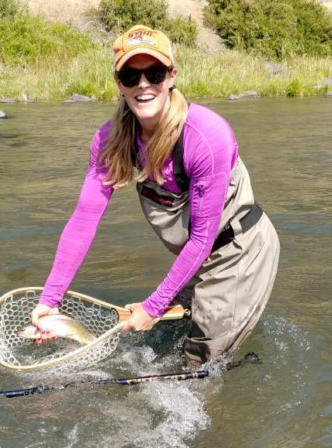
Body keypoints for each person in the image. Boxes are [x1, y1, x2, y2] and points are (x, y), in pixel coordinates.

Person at [31, 25, 280, 367]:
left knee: (199, 363)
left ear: (172, 76)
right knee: (160, 347)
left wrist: (152, 306)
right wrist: (50, 299)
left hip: (240, 249)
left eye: (155, 73)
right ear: (119, 83)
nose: (143, 85)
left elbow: (204, 237)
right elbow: (83, 220)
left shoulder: (206, 137)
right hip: (195, 253)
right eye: (131, 76)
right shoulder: (110, 142)